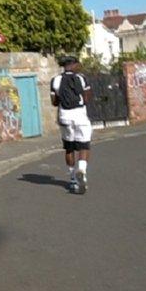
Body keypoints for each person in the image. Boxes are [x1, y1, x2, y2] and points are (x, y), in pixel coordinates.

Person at [50, 55, 93, 194]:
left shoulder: (55, 80)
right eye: (77, 64)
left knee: (69, 148)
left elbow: (54, 102)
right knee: (84, 145)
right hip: (79, 115)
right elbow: (87, 98)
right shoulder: (81, 78)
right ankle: (82, 170)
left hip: (64, 116)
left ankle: (73, 178)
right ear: (73, 65)